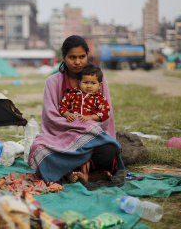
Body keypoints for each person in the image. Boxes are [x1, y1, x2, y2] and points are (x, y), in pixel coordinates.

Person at [28, 35, 125, 188]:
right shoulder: (52, 82)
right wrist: (79, 125)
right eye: (72, 57)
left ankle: (76, 174)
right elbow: (51, 118)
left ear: (88, 56)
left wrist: (87, 125)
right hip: (62, 138)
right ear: (64, 58)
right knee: (38, 148)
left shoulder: (98, 79)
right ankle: (87, 174)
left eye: (82, 56)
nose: (78, 62)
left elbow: (106, 115)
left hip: (92, 138)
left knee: (108, 150)